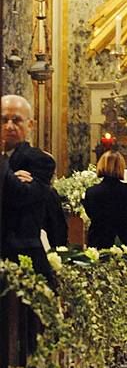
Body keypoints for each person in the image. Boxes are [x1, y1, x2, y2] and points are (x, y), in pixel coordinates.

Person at [1, 94, 56, 283]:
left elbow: (20, 195)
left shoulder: (40, 160)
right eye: (3, 120)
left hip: (22, 256)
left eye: (16, 120)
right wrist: (11, 177)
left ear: (30, 125)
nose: (9, 126)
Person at [82, 150, 127, 251]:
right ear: (121, 167)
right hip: (125, 239)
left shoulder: (92, 191)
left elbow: (91, 214)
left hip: (99, 240)